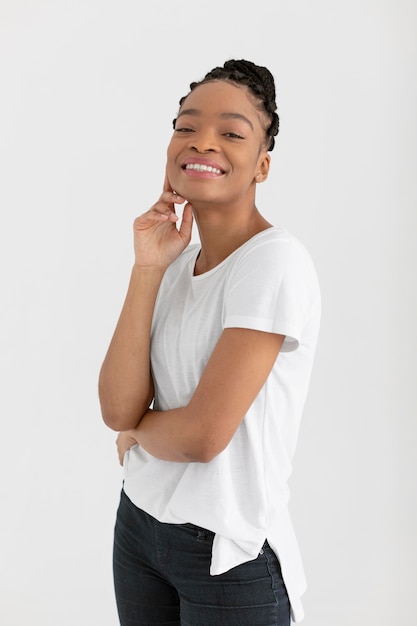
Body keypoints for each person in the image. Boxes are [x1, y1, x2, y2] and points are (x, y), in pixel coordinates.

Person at [98, 58, 321, 626]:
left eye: (231, 132)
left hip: (226, 553)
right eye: (186, 125)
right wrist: (147, 266)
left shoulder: (273, 263)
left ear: (262, 165)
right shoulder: (174, 259)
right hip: (141, 526)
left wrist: (136, 431)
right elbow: (115, 405)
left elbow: (201, 437)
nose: (203, 141)